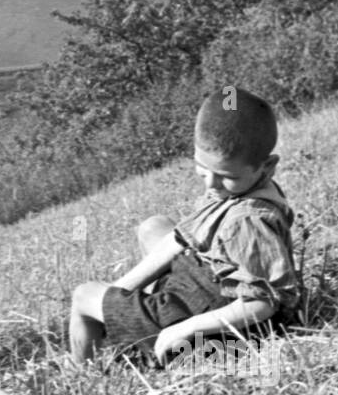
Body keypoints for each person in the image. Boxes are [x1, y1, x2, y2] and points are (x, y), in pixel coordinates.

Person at [68, 86, 299, 367]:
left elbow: (262, 303)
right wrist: (119, 292)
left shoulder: (248, 220)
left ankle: (83, 371)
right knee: (155, 228)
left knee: (84, 296)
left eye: (226, 176)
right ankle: (130, 317)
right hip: (203, 287)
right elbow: (180, 239)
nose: (210, 185)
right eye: (202, 170)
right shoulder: (238, 190)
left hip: (222, 338)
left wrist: (183, 329)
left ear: (268, 166)